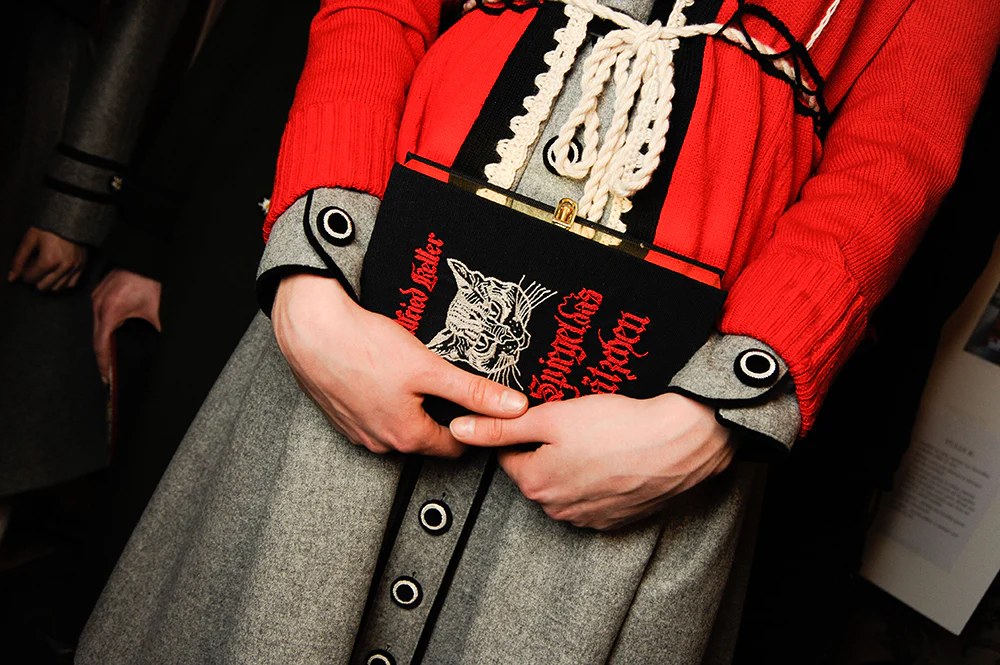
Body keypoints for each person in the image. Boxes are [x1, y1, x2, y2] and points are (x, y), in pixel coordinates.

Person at [77, 1, 1000, 663]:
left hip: (644, 431)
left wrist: (716, 414)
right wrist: (311, 283)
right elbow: (373, 13)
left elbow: (896, 154)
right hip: (355, 329)